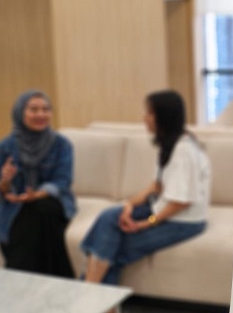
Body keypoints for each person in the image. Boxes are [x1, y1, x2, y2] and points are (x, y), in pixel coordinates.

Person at [81, 90, 210, 285]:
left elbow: (181, 202)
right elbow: (157, 186)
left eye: (149, 113)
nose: (144, 118)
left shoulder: (184, 151)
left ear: (164, 117)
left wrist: (147, 223)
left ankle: (89, 290)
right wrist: (129, 205)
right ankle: (91, 292)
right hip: (163, 208)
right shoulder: (169, 143)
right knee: (108, 218)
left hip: (184, 221)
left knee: (111, 245)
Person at [0, 90, 76, 278]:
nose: (41, 114)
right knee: (29, 216)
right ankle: (57, 281)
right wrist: (5, 182)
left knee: (39, 208)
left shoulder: (61, 145)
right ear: (20, 113)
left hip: (51, 202)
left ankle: (16, 279)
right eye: (34, 109)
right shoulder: (3, 148)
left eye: (46, 109)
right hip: (14, 206)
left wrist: (37, 194)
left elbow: (62, 181)